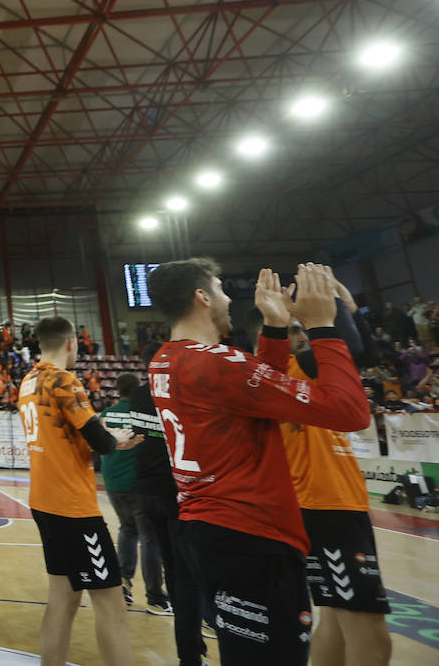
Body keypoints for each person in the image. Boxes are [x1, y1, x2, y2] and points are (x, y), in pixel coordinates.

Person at [145, 261, 371, 664]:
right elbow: (350, 412)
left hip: (210, 529)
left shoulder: (164, 359)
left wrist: (273, 329)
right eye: (220, 288)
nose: (229, 299)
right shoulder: (219, 363)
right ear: (203, 297)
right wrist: (322, 327)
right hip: (252, 535)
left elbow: (259, 392)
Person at [270, 287, 392, 666]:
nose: (303, 335)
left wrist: (349, 312)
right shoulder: (297, 369)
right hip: (329, 507)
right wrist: (335, 309)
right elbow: (355, 350)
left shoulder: (293, 373)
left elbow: (361, 357)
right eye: (292, 329)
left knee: (336, 617)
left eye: (302, 329)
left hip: (321, 507)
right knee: (368, 626)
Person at [19, 316, 138, 666]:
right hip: (73, 507)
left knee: (63, 599)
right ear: (71, 342)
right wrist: (114, 440)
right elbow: (99, 442)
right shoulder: (64, 379)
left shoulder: (28, 380)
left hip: (43, 501)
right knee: (112, 607)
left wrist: (107, 441)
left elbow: (66, 439)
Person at [127, 344, 206, 666]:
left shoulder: (136, 396)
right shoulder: (173, 393)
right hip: (173, 491)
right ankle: (191, 649)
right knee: (187, 571)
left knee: (171, 567)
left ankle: (189, 642)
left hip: (145, 490)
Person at [99, 371, 170, 615]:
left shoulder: (107, 413)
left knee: (126, 529)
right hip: (135, 483)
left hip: (111, 483)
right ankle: (155, 597)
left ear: (117, 390)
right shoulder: (139, 412)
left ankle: (123, 584)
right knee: (149, 538)